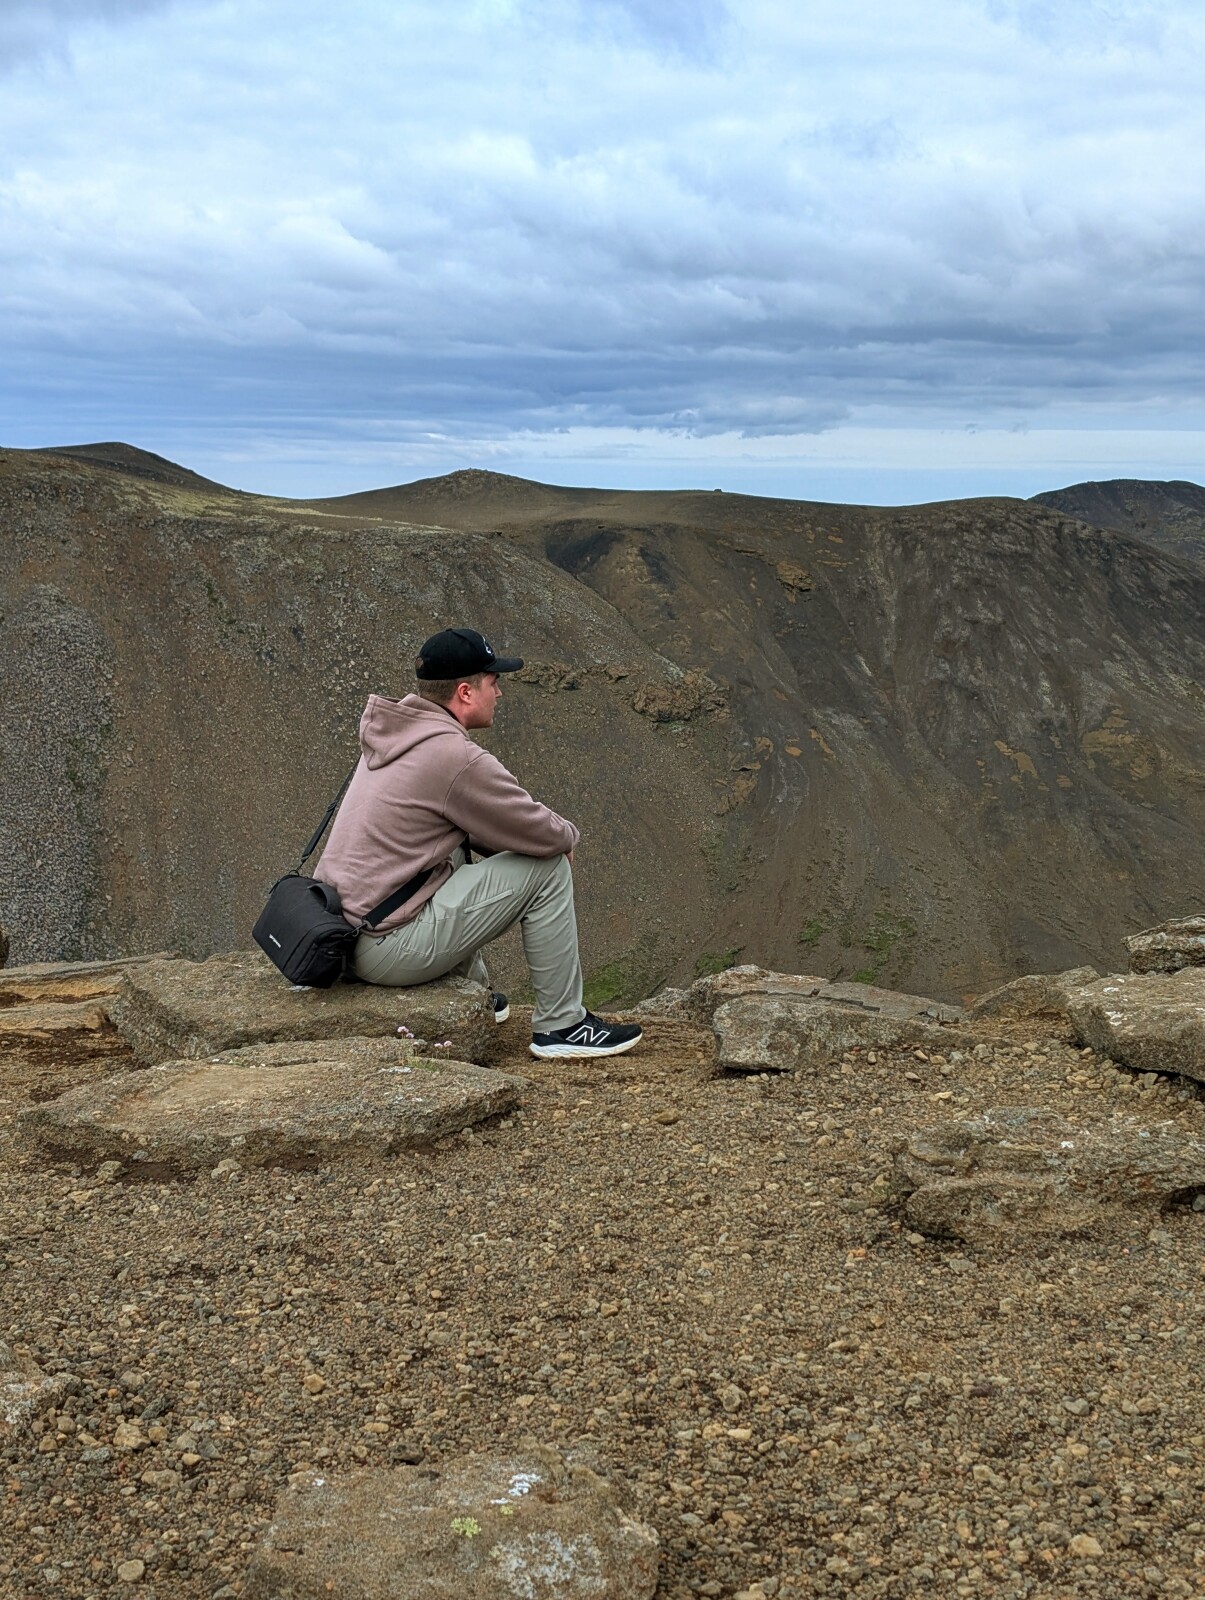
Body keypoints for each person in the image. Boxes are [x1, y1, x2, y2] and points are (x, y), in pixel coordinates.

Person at [316, 626, 643, 1060]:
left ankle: (473, 994)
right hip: (384, 947)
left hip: (342, 936)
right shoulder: (451, 755)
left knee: (452, 845)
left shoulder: (396, 735)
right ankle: (562, 1026)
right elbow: (540, 828)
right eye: (494, 681)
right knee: (548, 868)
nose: (500, 693)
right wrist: (565, 839)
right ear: (466, 692)